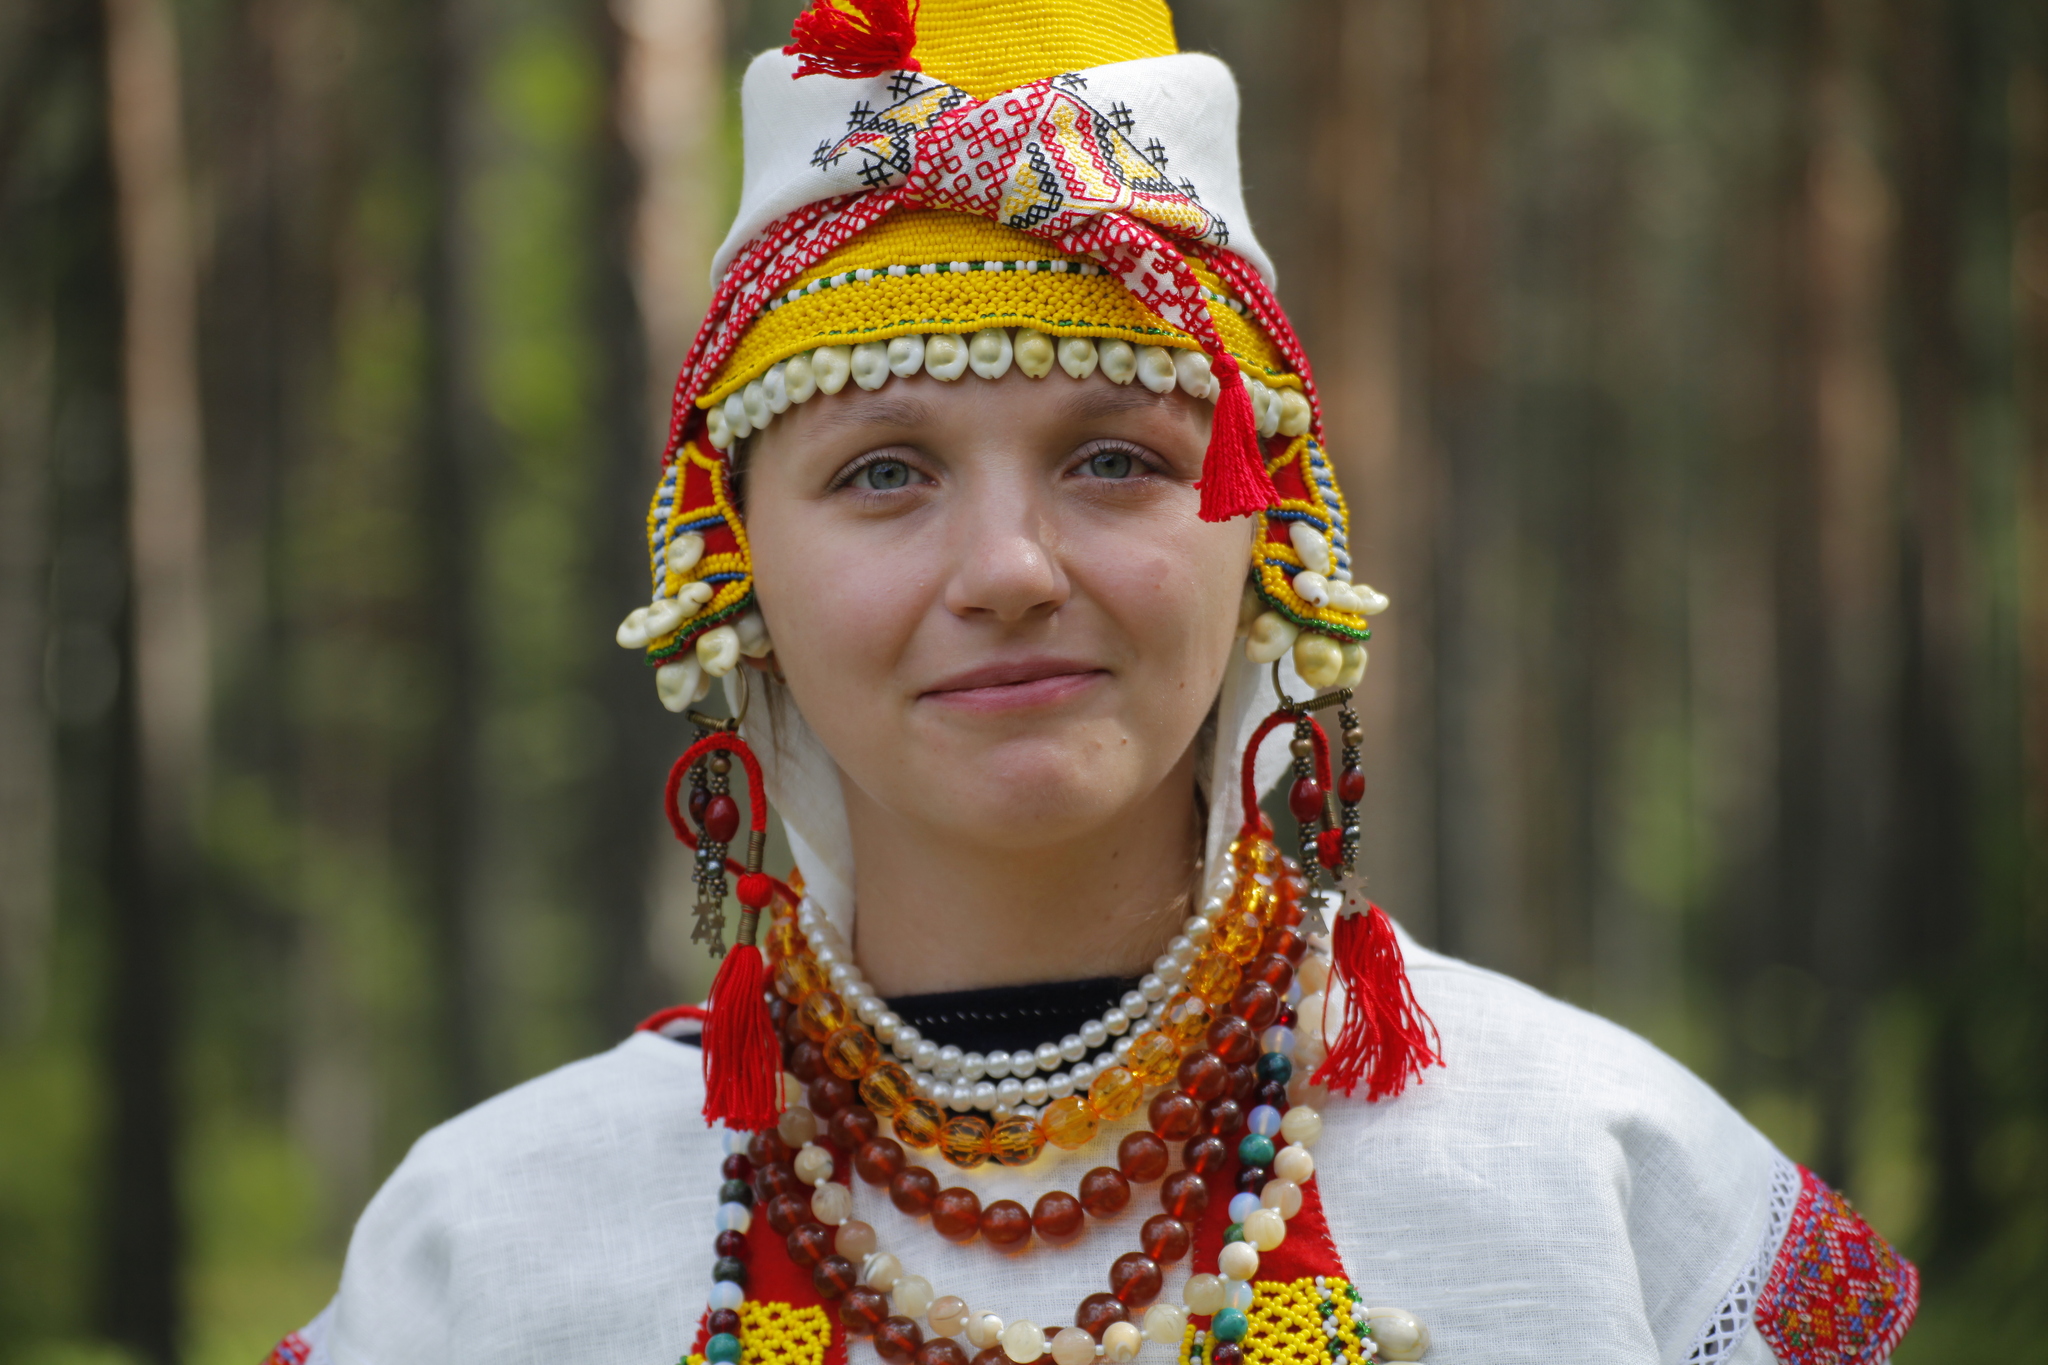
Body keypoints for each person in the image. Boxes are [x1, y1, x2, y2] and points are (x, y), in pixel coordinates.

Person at [266, 2, 1917, 1362]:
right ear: (728, 557)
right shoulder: (486, 1247)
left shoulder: (1602, 1185)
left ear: (1273, 529)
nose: (1009, 567)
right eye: (884, 471)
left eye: (1117, 456)